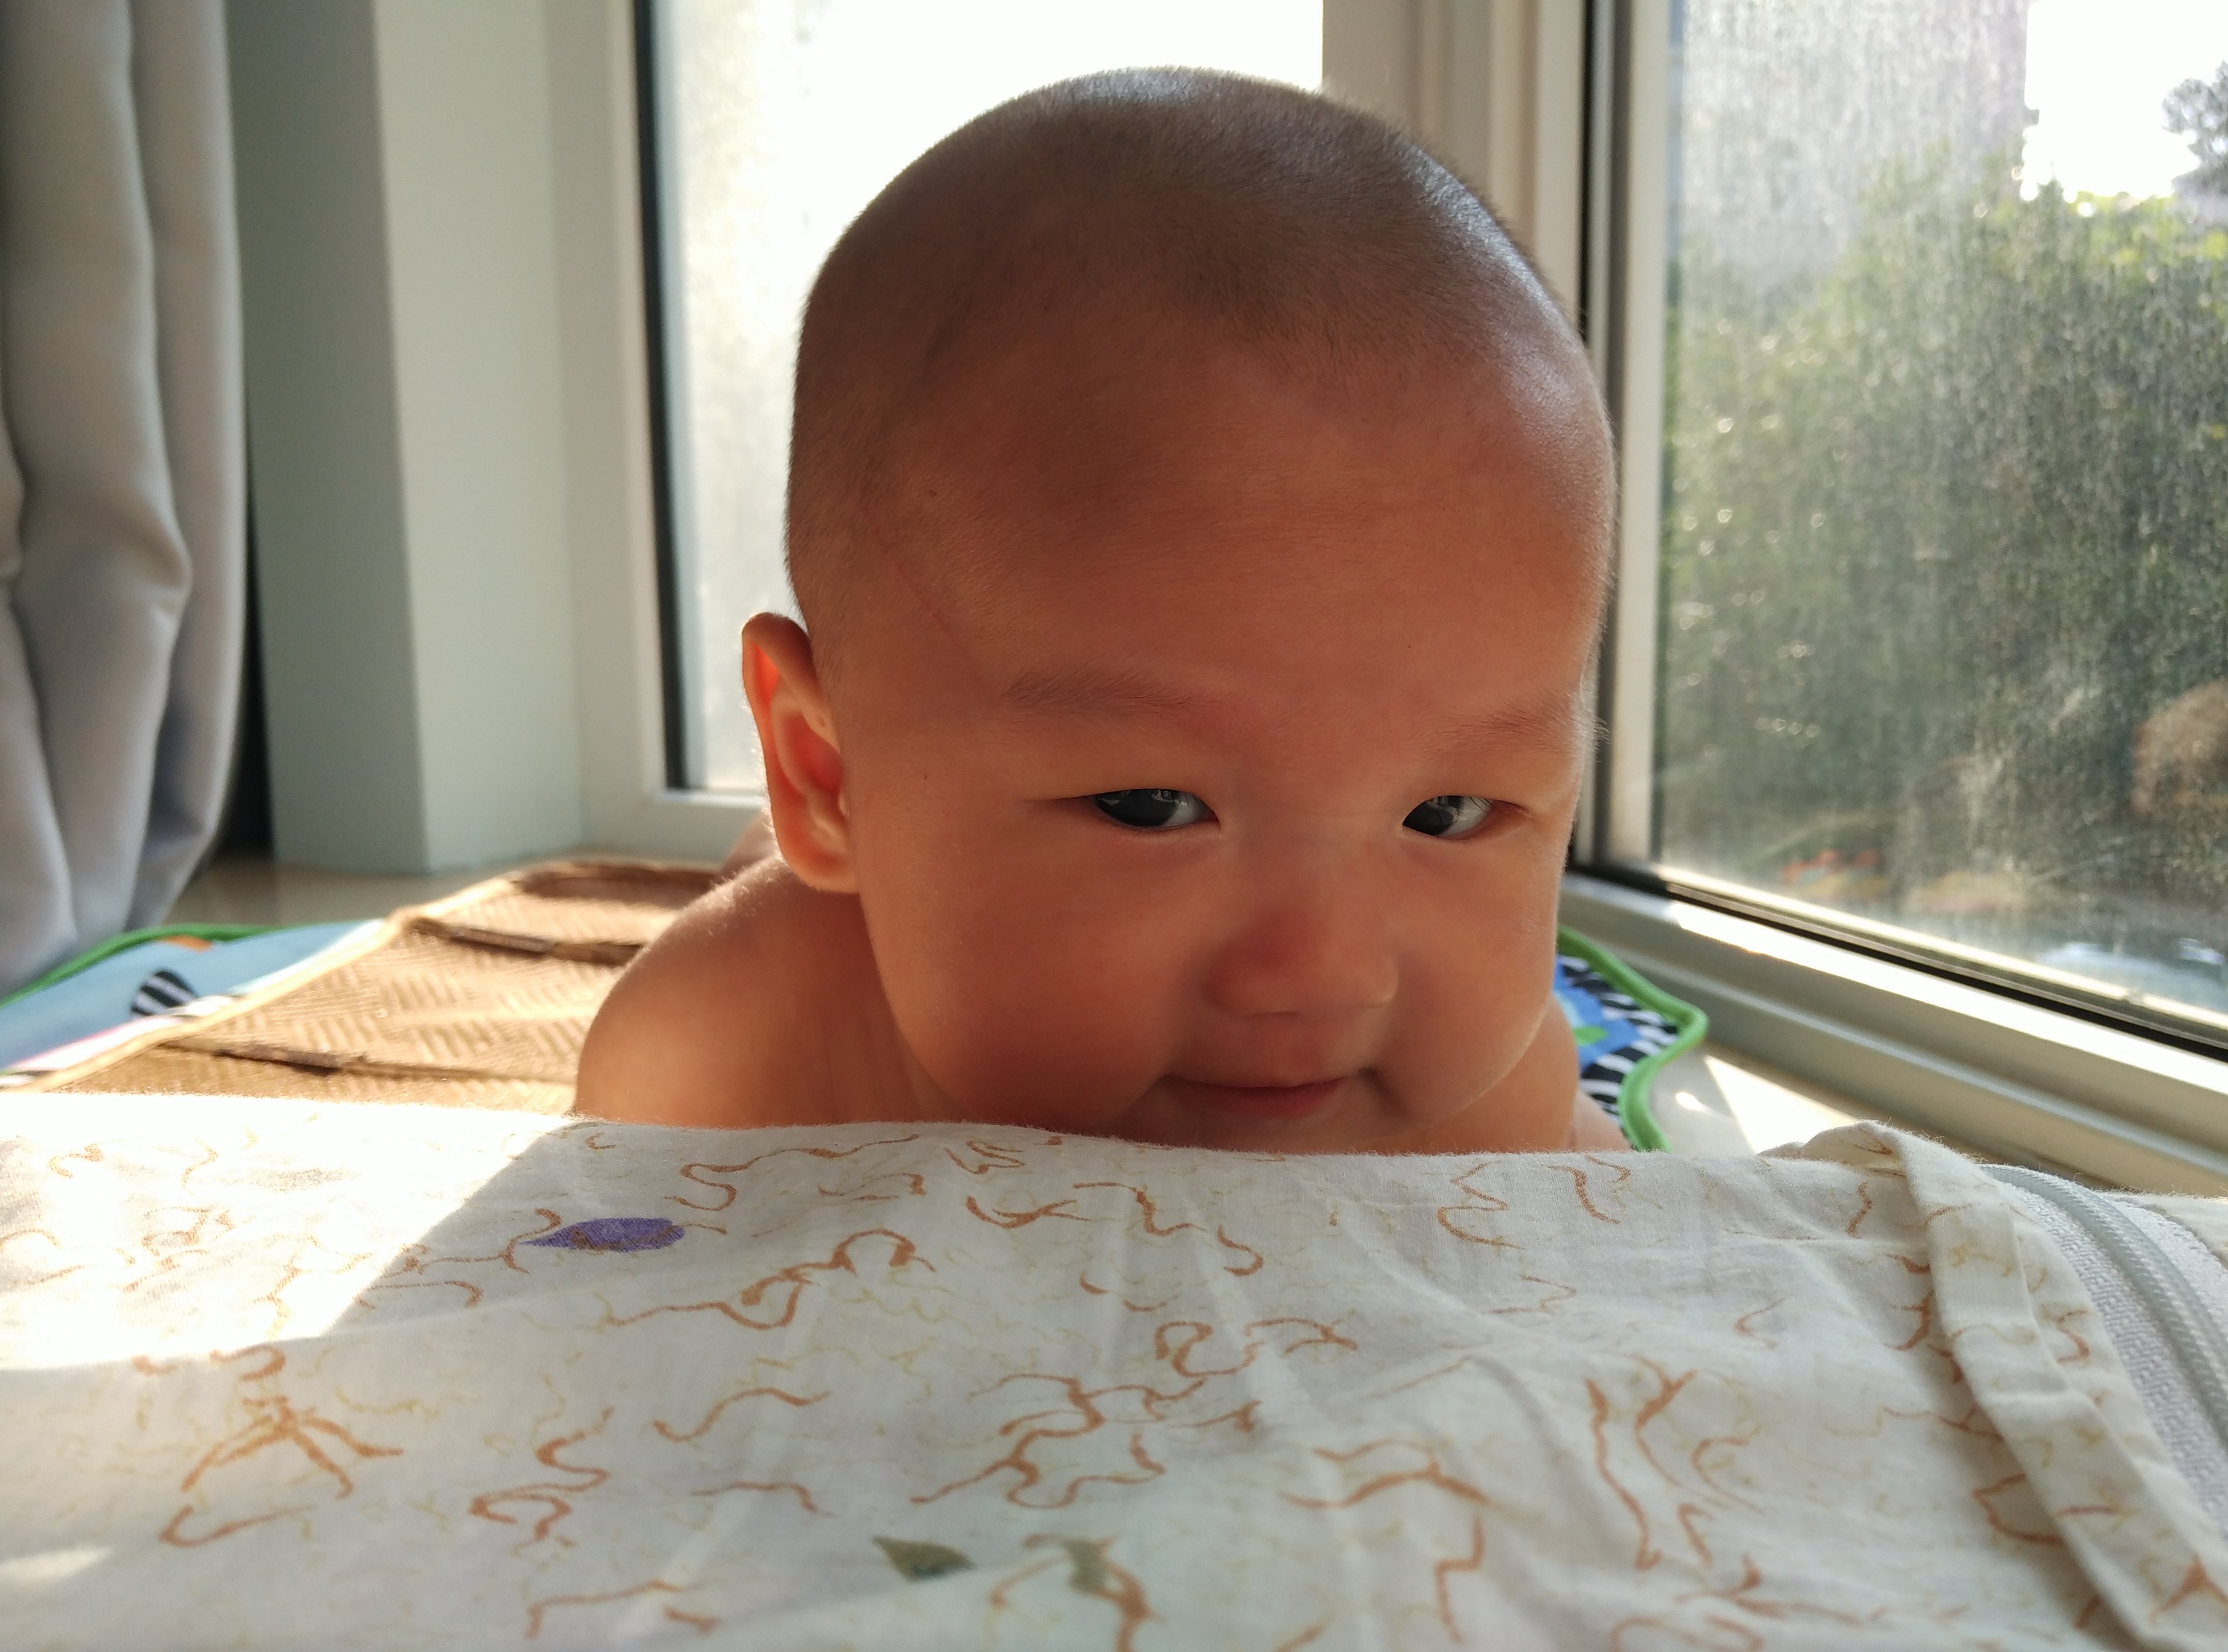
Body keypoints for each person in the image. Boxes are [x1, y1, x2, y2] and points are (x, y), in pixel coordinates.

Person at [577, 68, 1624, 1154]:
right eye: (1150, 807)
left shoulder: (1496, 1112)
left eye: (1449, 813)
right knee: (773, 890)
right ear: (823, 772)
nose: (1322, 977)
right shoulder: (730, 1064)